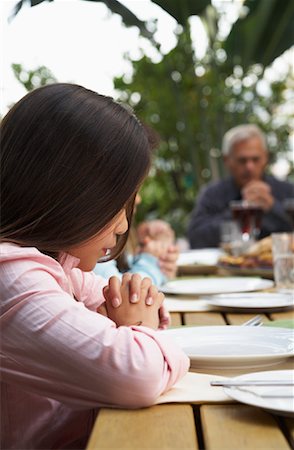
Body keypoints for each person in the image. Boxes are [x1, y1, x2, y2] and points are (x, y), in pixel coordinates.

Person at [0, 83, 189, 450]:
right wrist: (136, 324)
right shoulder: (12, 278)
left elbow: (141, 309)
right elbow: (138, 373)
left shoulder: (59, 268)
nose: (122, 226)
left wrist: (139, 306)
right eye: (118, 205)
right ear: (72, 194)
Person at [187, 124, 294, 248]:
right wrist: (240, 211)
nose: (249, 167)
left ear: (265, 157)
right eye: (242, 160)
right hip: (229, 265)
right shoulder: (213, 194)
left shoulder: (286, 191)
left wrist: (272, 206)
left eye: (255, 159)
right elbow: (196, 238)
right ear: (227, 160)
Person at [94, 193, 179, 285]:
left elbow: (125, 266)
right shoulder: (93, 243)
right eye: (133, 190)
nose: (138, 199)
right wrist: (150, 262)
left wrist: (160, 259)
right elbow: (120, 290)